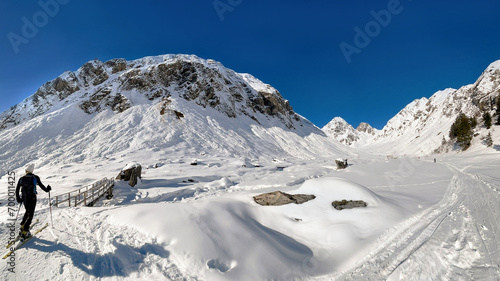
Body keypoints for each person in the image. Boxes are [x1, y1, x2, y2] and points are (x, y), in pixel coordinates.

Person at [15, 164, 51, 239]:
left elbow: (17, 189)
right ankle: (25, 230)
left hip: (24, 198)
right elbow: (42, 186)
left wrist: (18, 198)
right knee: (31, 213)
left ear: (26, 171)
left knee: (27, 211)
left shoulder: (22, 178)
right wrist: (48, 189)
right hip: (32, 197)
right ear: (32, 171)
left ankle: (22, 225)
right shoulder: (35, 177)